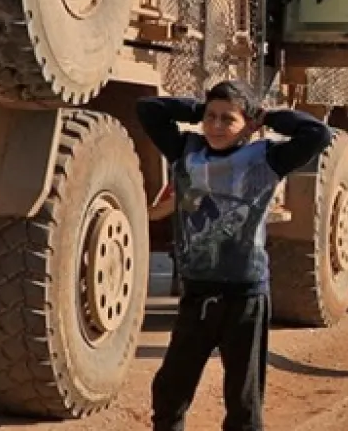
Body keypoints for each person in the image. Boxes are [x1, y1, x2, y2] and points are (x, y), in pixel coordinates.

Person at [138, 80, 333, 431]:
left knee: (242, 400)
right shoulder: (186, 151)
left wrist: (269, 116)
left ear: (248, 124)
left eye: (227, 119)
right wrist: (196, 109)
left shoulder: (267, 160)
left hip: (244, 297)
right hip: (197, 295)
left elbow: (317, 134)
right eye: (210, 117)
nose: (215, 126)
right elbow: (148, 110)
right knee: (170, 389)